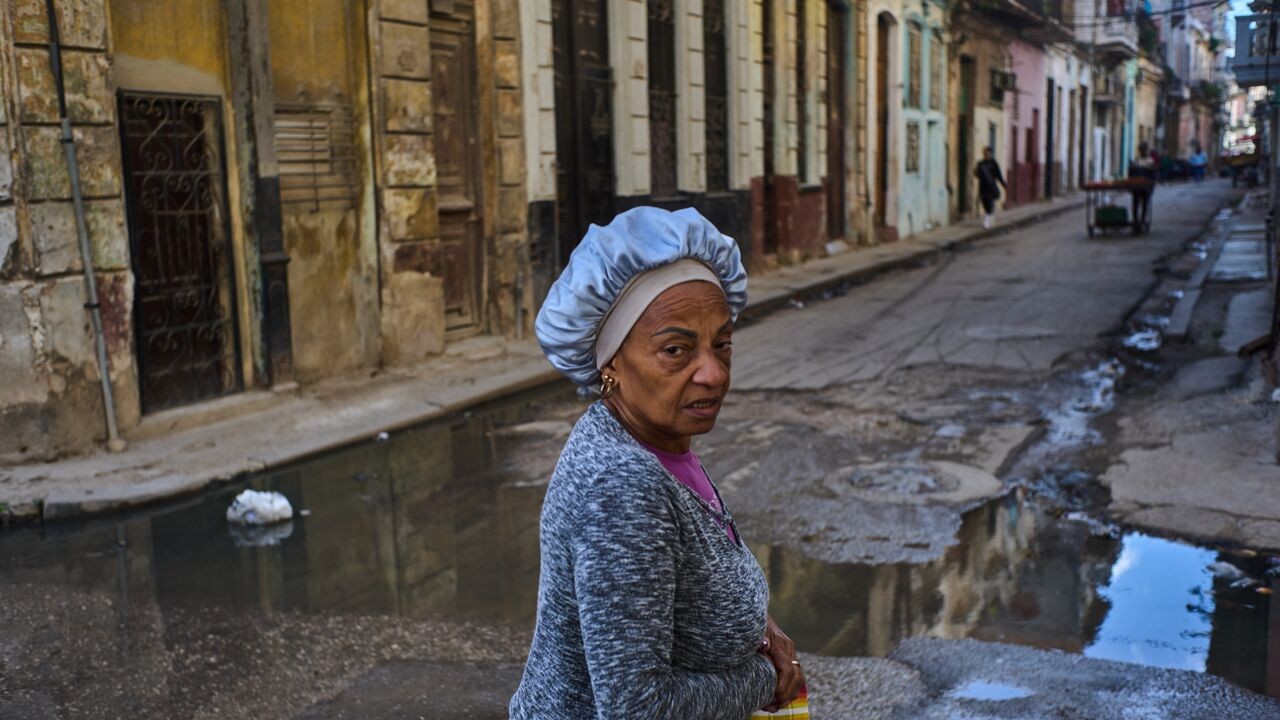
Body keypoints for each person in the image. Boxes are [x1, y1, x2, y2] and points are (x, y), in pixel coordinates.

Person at [510, 207, 805, 718]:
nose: (712, 374)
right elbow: (638, 709)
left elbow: (694, 581)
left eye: (722, 344)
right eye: (676, 349)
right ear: (611, 366)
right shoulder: (624, 486)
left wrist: (762, 626)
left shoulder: (659, 442)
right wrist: (768, 679)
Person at [974, 147, 1007, 229]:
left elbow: (999, 175)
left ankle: (987, 221)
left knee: (989, 202)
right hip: (982, 187)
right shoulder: (980, 164)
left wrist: (1003, 184)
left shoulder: (994, 163)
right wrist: (975, 172)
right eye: (985, 153)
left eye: (988, 153)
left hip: (991, 187)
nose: (986, 155)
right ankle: (990, 218)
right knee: (984, 203)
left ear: (991, 154)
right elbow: (978, 175)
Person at [1128, 141, 1157, 232]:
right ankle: (1136, 221)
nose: (1142, 151)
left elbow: (1153, 175)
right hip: (1137, 187)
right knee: (1135, 204)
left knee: (1144, 204)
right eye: (1141, 149)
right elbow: (1131, 173)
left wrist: (1151, 186)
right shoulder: (1137, 160)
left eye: (1143, 149)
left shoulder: (1150, 161)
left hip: (1145, 188)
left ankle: (1142, 221)